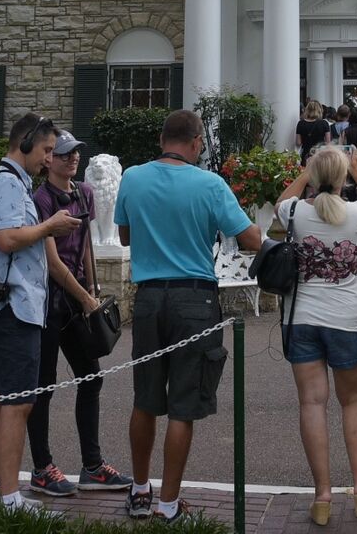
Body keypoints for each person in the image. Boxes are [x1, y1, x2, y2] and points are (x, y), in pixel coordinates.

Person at [116, 108, 264, 522]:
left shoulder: (132, 177)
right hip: (194, 300)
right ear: (196, 142)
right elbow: (250, 237)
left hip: (147, 299)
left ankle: (140, 491)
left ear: (163, 139)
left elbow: (125, 234)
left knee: (145, 400)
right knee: (183, 404)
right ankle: (167, 504)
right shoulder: (210, 183)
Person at [0, 112, 83, 514]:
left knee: (0, 398)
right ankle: (8, 497)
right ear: (24, 144)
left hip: (5, 309)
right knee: (17, 404)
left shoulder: (3, 181)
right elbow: (5, 239)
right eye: (47, 150)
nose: (49, 159)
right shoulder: (6, 183)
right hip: (14, 309)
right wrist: (48, 227)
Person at [274, 144, 357, 524]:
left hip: (302, 318)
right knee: (353, 400)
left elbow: (281, 200)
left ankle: (322, 494)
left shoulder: (295, 212)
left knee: (312, 404)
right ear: (340, 179)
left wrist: (309, 171)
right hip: (346, 320)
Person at [27, 130, 133, 496]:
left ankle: (92, 465)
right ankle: (42, 468)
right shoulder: (40, 200)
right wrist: (84, 297)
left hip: (77, 298)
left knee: (91, 377)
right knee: (44, 387)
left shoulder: (82, 192)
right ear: (49, 160)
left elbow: (86, 240)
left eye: (76, 154)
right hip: (48, 303)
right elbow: (52, 262)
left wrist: (93, 289)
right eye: (65, 154)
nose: (73, 159)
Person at [297, 101, 332, 165]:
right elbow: (328, 142)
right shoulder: (324, 123)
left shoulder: (300, 123)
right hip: (320, 154)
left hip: (306, 155)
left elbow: (298, 142)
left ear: (307, 110)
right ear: (319, 110)